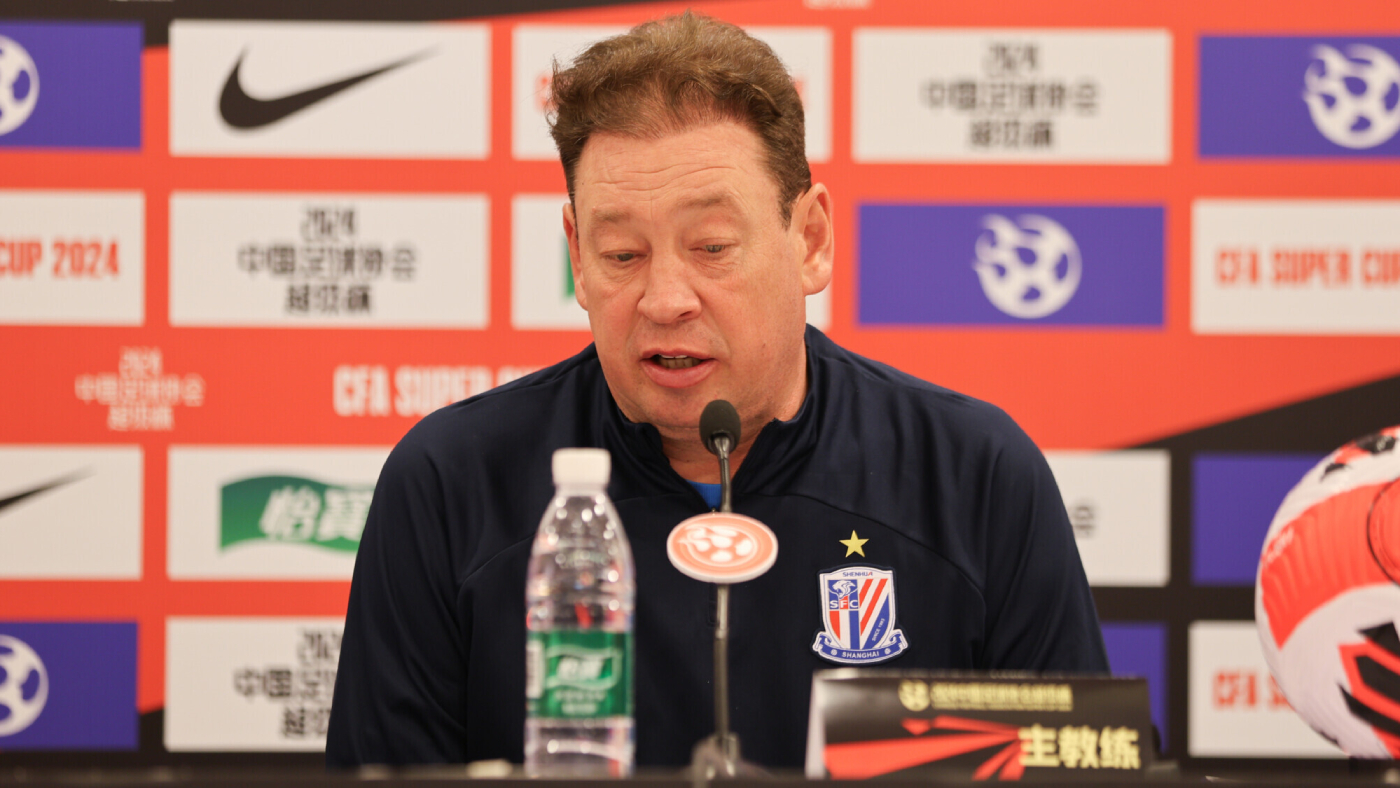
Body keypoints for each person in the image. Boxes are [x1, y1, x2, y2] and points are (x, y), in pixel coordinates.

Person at [326, 11, 1108, 770]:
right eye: (622, 253)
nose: (666, 299)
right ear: (577, 257)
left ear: (810, 241)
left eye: (711, 247)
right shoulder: (450, 485)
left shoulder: (974, 479)